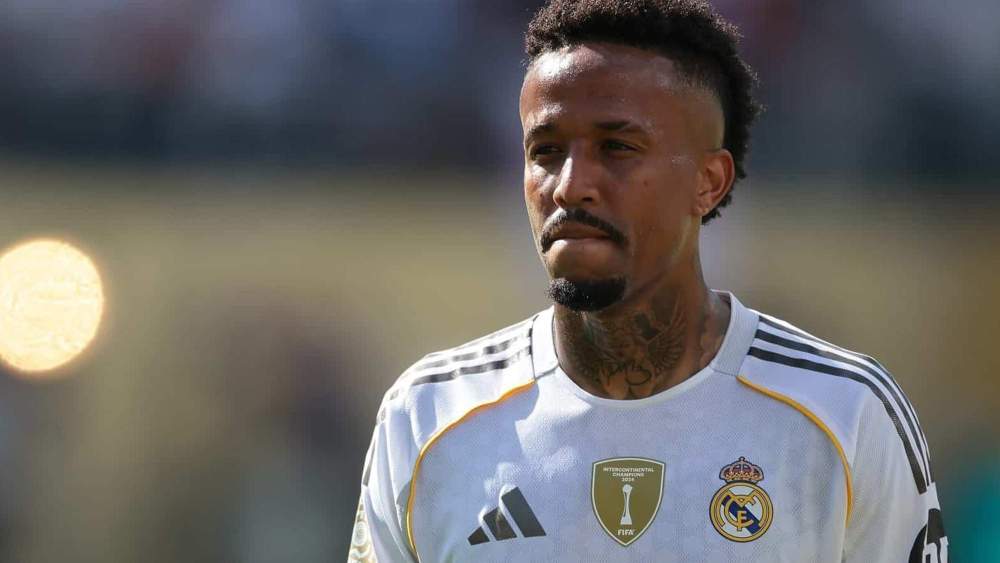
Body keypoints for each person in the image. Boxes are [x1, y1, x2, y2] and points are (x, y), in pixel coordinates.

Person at [349, 1, 947, 561]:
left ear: (708, 182)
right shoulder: (427, 418)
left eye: (617, 147)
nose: (570, 185)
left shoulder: (844, 413)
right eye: (546, 151)